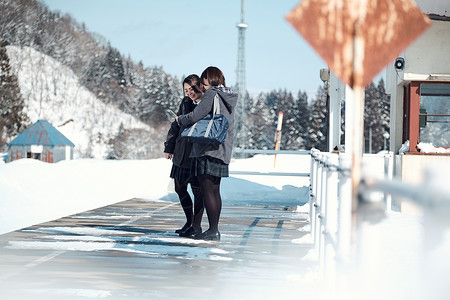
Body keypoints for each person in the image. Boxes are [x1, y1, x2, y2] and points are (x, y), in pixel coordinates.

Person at [176, 66, 238, 241]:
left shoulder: (212, 94)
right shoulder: (229, 96)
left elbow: (196, 115)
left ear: (209, 81)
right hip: (223, 148)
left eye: (203, 83)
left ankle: (212, 231)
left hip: (208, 148)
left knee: (207, 191)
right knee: (215, 190)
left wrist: (180, 119)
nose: (202, 87)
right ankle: (214, 229)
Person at [164, 74, 204, 237]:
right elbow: (175, 126)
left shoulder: (206, 104)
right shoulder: (185, 102)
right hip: (181, 152)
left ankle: (196, 225)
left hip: (196, 155)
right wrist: (169, 147)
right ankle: (189, 221)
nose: (189, 93)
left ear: (199, 86)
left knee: (198, 191)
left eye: (191, 89)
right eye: (186, 90)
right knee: (179, 188)